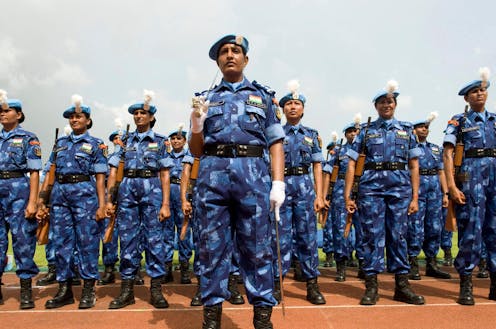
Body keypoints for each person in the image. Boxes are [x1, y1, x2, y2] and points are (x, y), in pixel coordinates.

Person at [189, 34, 285, 329]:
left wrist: (278, 183)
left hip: (253, 179)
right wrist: (196, 124)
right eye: (224, 52)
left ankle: (262, 318)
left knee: (257, 248)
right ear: (217, 61)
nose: (230, 55)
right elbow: (196, 150)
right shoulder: (204, 98)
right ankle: (212, 318)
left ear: (246, 59)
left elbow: (276, 142)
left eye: (236, 51)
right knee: (211, 249)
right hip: (212, 180)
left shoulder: (264, 97)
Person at [344, 80, 425, 305]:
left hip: (400, 188)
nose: (386, 105)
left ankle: (402, 286)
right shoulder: (367, 131)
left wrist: (415, 196)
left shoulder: (407, 130)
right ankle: (371, 287)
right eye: (381, 102)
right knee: (371, 235)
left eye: (389, 101)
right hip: (371, 188)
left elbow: (414, 164)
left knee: (399, 235)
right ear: (376, 106)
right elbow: (351, 163)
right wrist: (347, 195)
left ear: (395, 104)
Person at [36, 95, 107, 309]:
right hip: (60, 195)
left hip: (85, 194)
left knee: (87, 242)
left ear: (87, 120)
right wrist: (42, 200)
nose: (74, 120)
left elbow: (101, 176)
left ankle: (88, 290)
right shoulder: (60, 143)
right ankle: (64, 289)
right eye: (72, 117)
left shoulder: (96, 144)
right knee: (62, 243)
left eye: (78, 117)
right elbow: (50, 172)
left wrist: (102, 204)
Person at [106, 90, 172, 309]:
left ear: (151, 116)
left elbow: (165, 173)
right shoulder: (125, 141)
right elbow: (114, 168)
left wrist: (165, 203)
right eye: (135, 113)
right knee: (127, 240)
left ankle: (156, 290)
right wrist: (109, 199)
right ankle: (127, 291)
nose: (138, 116)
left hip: (152, 190)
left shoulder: (161, 141)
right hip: (128, 192)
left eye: (142, 113)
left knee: (155, 240)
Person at [442, 67, 496, 305]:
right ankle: (466, 282)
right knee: (471, 231)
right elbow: (447, 154)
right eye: (474, 92)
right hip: (470, 179)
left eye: (482, 90)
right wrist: (451, 186)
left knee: (494, 232)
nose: (479, 94)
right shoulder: (459, 121)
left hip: (494, 179)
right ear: (467, 98)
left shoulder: (495, 120)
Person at [270, 80, 326, 306]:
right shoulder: (275, 134)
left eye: (297, 103)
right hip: (282, 183)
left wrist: (320, 195)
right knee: (279, 238)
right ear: (283, 109)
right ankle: (276, 285)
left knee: (308, 238)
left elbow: (317, 166)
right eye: (289, 104)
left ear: (303, 108)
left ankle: (312, 285)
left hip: (304, 187)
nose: (293, 107)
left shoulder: (311, 135)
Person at [0, 90, 42, 309]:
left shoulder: (28, 138)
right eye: (1, 111)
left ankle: (26, 289)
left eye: (7, 111)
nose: (2, 114)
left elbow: (34, 172)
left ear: (19, 114)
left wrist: (33, 201)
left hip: (19, 191)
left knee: (23, 240)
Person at [407, 112, 451, 280]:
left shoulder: (435, 149)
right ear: (413, 130)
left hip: (434, 191)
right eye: (421, 127)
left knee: (434, 227)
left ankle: (431, 263)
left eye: (426, 127)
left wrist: (445, 193)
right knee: (415, 227)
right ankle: (412, 262)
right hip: (416, 189)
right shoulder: (409, 148)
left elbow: (441, 171)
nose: (424, 129)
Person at [323, 117, 360, 282]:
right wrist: (325, 195)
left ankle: (364, 263)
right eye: (350, 132)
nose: (353, 134)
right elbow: (328, 171)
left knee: (364, 228)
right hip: (340, 189)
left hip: (362, 189)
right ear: (345, 134)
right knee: (340, 229)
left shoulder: (365, 149)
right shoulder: (338, 151)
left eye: (355, 131)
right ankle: (341, 265)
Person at [163, 124, 194, 284]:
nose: (175, 141)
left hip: (183, 195)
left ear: (184, 141)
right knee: (167, 233)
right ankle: (167, 268)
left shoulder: (189, 156)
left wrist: (187, 198)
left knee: (184, 232)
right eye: (173, 138)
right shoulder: (165, 157)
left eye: (179, 138)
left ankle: (184, 269)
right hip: (168, 195)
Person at [97, 130, 123, 286]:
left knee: (132, 235)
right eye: (116, 139)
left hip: (128, 197)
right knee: (109, 235)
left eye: (121, 139)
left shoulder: (131, 155)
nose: (118, 141)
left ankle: (132, 270)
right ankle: (109, 269)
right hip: (112, 198)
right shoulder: (108, 159)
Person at [322, 134, 337, 268]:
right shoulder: (327, 162)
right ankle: (329, 255)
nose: (333, 151)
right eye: (331, 149)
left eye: (335, 148)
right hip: (329, 196)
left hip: (340, 196)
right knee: (327, 227)